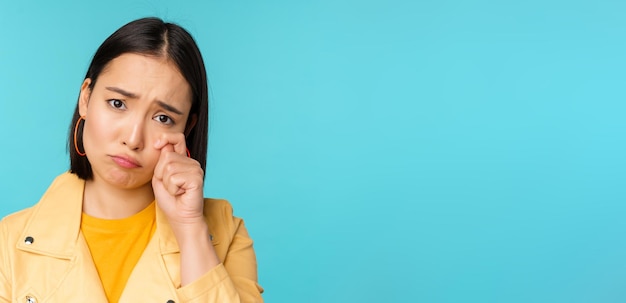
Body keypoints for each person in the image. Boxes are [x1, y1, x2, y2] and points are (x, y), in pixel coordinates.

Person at [0, 17, 263, 302]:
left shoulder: (226, 234)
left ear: (186, 128)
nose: (133, 139)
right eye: (118, 104)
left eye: (163, 118)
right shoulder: (8, 242)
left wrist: (190, 229)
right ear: (86, 98)